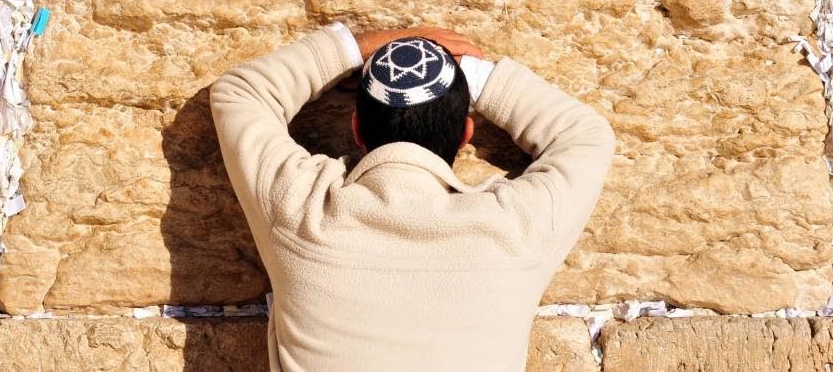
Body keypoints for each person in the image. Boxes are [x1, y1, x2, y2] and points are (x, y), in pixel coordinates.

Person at [210, 23, 615, 372]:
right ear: (465, 135)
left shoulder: (303, 211)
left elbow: (241, 94)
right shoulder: (515, 229)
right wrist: (472, 72)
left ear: (357, 129)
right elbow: (585, 138)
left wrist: (360, 47)